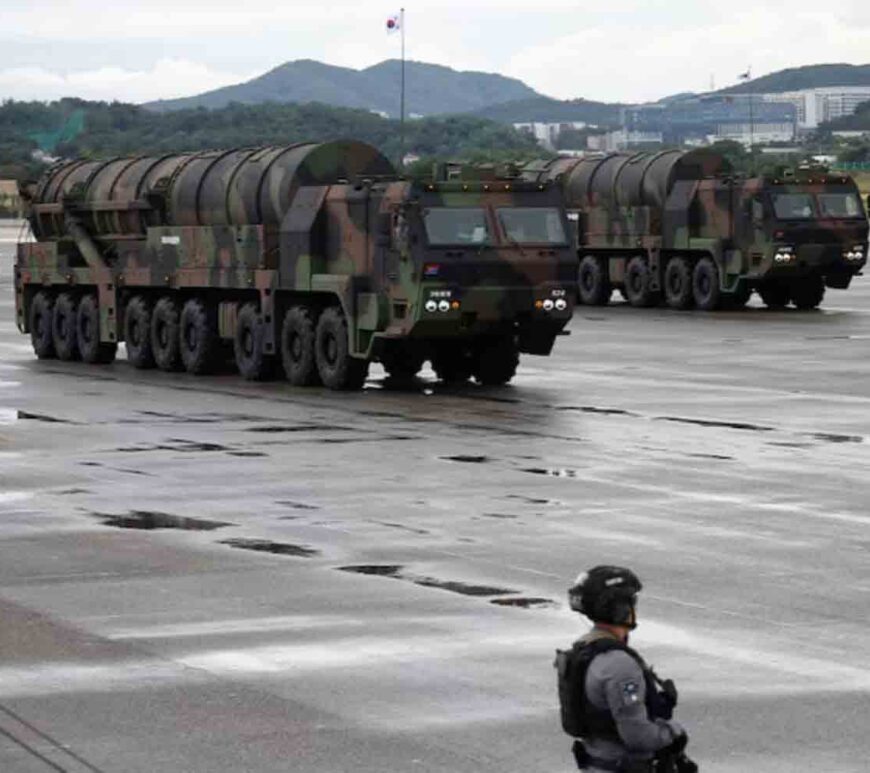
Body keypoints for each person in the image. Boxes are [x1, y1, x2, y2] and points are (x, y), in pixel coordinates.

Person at [555, 565, 697, 772]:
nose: (634, 609)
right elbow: (638, 736)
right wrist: (673, 733)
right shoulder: (619, 666)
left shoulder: (584, 650)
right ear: (619, 608)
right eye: (632, 602)